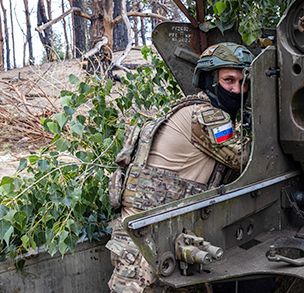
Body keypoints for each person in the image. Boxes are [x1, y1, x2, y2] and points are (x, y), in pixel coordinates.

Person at [106, 42, 254, 293]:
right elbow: (246, 157)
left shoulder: (191, 108)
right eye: (229, 80)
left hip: (156, 230)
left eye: (243, 82)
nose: (237, 89)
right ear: (210, 81)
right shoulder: (207, 117)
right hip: (148, 240)